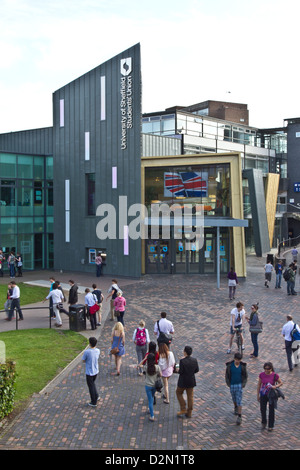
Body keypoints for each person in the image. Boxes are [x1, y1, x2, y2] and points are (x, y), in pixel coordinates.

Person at [257, 362, 283, 432]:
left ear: (271, 368)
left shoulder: (275, 375)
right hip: (263, 394)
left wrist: (275, 386)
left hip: (271, 394)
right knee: (263, 409)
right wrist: (258, 395)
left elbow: (281, 383)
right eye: (265, 369)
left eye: (268, 369)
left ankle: (270, 425)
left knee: (271, 410)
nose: (266, 370)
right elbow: (259, 385)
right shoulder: (261, 375)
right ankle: (264, 421)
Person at [176, 346, 199, 419]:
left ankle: (183, 408)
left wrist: (177, 369)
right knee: (190, 396)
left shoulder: (182, 361)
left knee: (178, 393)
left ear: (185, 352)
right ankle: (189, 412)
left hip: (183, 381)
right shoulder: (194, 360)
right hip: (191, 381)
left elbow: (181, 371)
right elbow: (196, 370)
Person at [225, 352, 248, 425]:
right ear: (234, 359)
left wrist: (243, 384)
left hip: (239, 385)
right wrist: (228, 383)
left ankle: (239, 416)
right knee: (234, 398)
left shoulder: (242, 366)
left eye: (239, 360)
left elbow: (245, 376)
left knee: (239, 400)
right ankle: (235, 407)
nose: (237, 361)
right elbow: (227, 375)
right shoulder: (230, 366)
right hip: (232, 385)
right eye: (236, 359)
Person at [82, 337, 100, 407]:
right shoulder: (98, 350)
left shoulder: (87, 352)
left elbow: (83, 360)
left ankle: (93, 401)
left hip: (89, 372)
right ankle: (96, 396)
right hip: (96, 371)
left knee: (91, 386)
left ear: (90, 343)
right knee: (93, 384)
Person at [144, 353, 161, 422]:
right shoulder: (157, 367)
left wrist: (144, 359)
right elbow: (161, 375)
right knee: (152, 397)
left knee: (150, 401)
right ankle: (150, 410)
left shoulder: (146, 367)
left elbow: (139, 365)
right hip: (154, 386)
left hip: (148, 386)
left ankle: (152, 416)